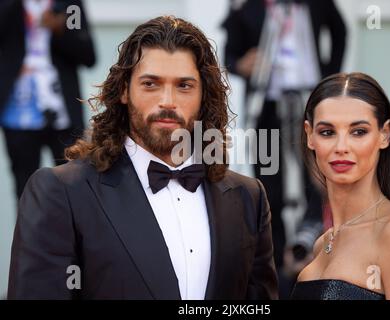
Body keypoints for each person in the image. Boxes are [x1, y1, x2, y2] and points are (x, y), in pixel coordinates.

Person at [8, 16, 278, 300]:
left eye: (184, 86)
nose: (167, 101)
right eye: (151, 84)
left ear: (203, 96)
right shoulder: (61, 193)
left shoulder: (249, 198)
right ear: (124, 90)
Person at [222, 0, 347, 285]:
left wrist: (330, 75)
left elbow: (340, 31)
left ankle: (316, 253)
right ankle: (277, 265)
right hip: (267, 108)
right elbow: (229, 53)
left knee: (320, 180)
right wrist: (240, 65)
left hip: (311, 103)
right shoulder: (246, 6)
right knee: (270, 185)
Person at [290, 72, 390, 300]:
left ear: (384, 135)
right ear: (310, 136)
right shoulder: (322, 243)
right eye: (327, 132)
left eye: (358, 132)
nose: (341, 146)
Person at [0, 0, 96, 200]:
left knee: (75, 185)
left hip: (63, 111)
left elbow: (87, 54)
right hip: (18, 112)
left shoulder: (70, 6)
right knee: (25, 189)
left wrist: (61, 29)